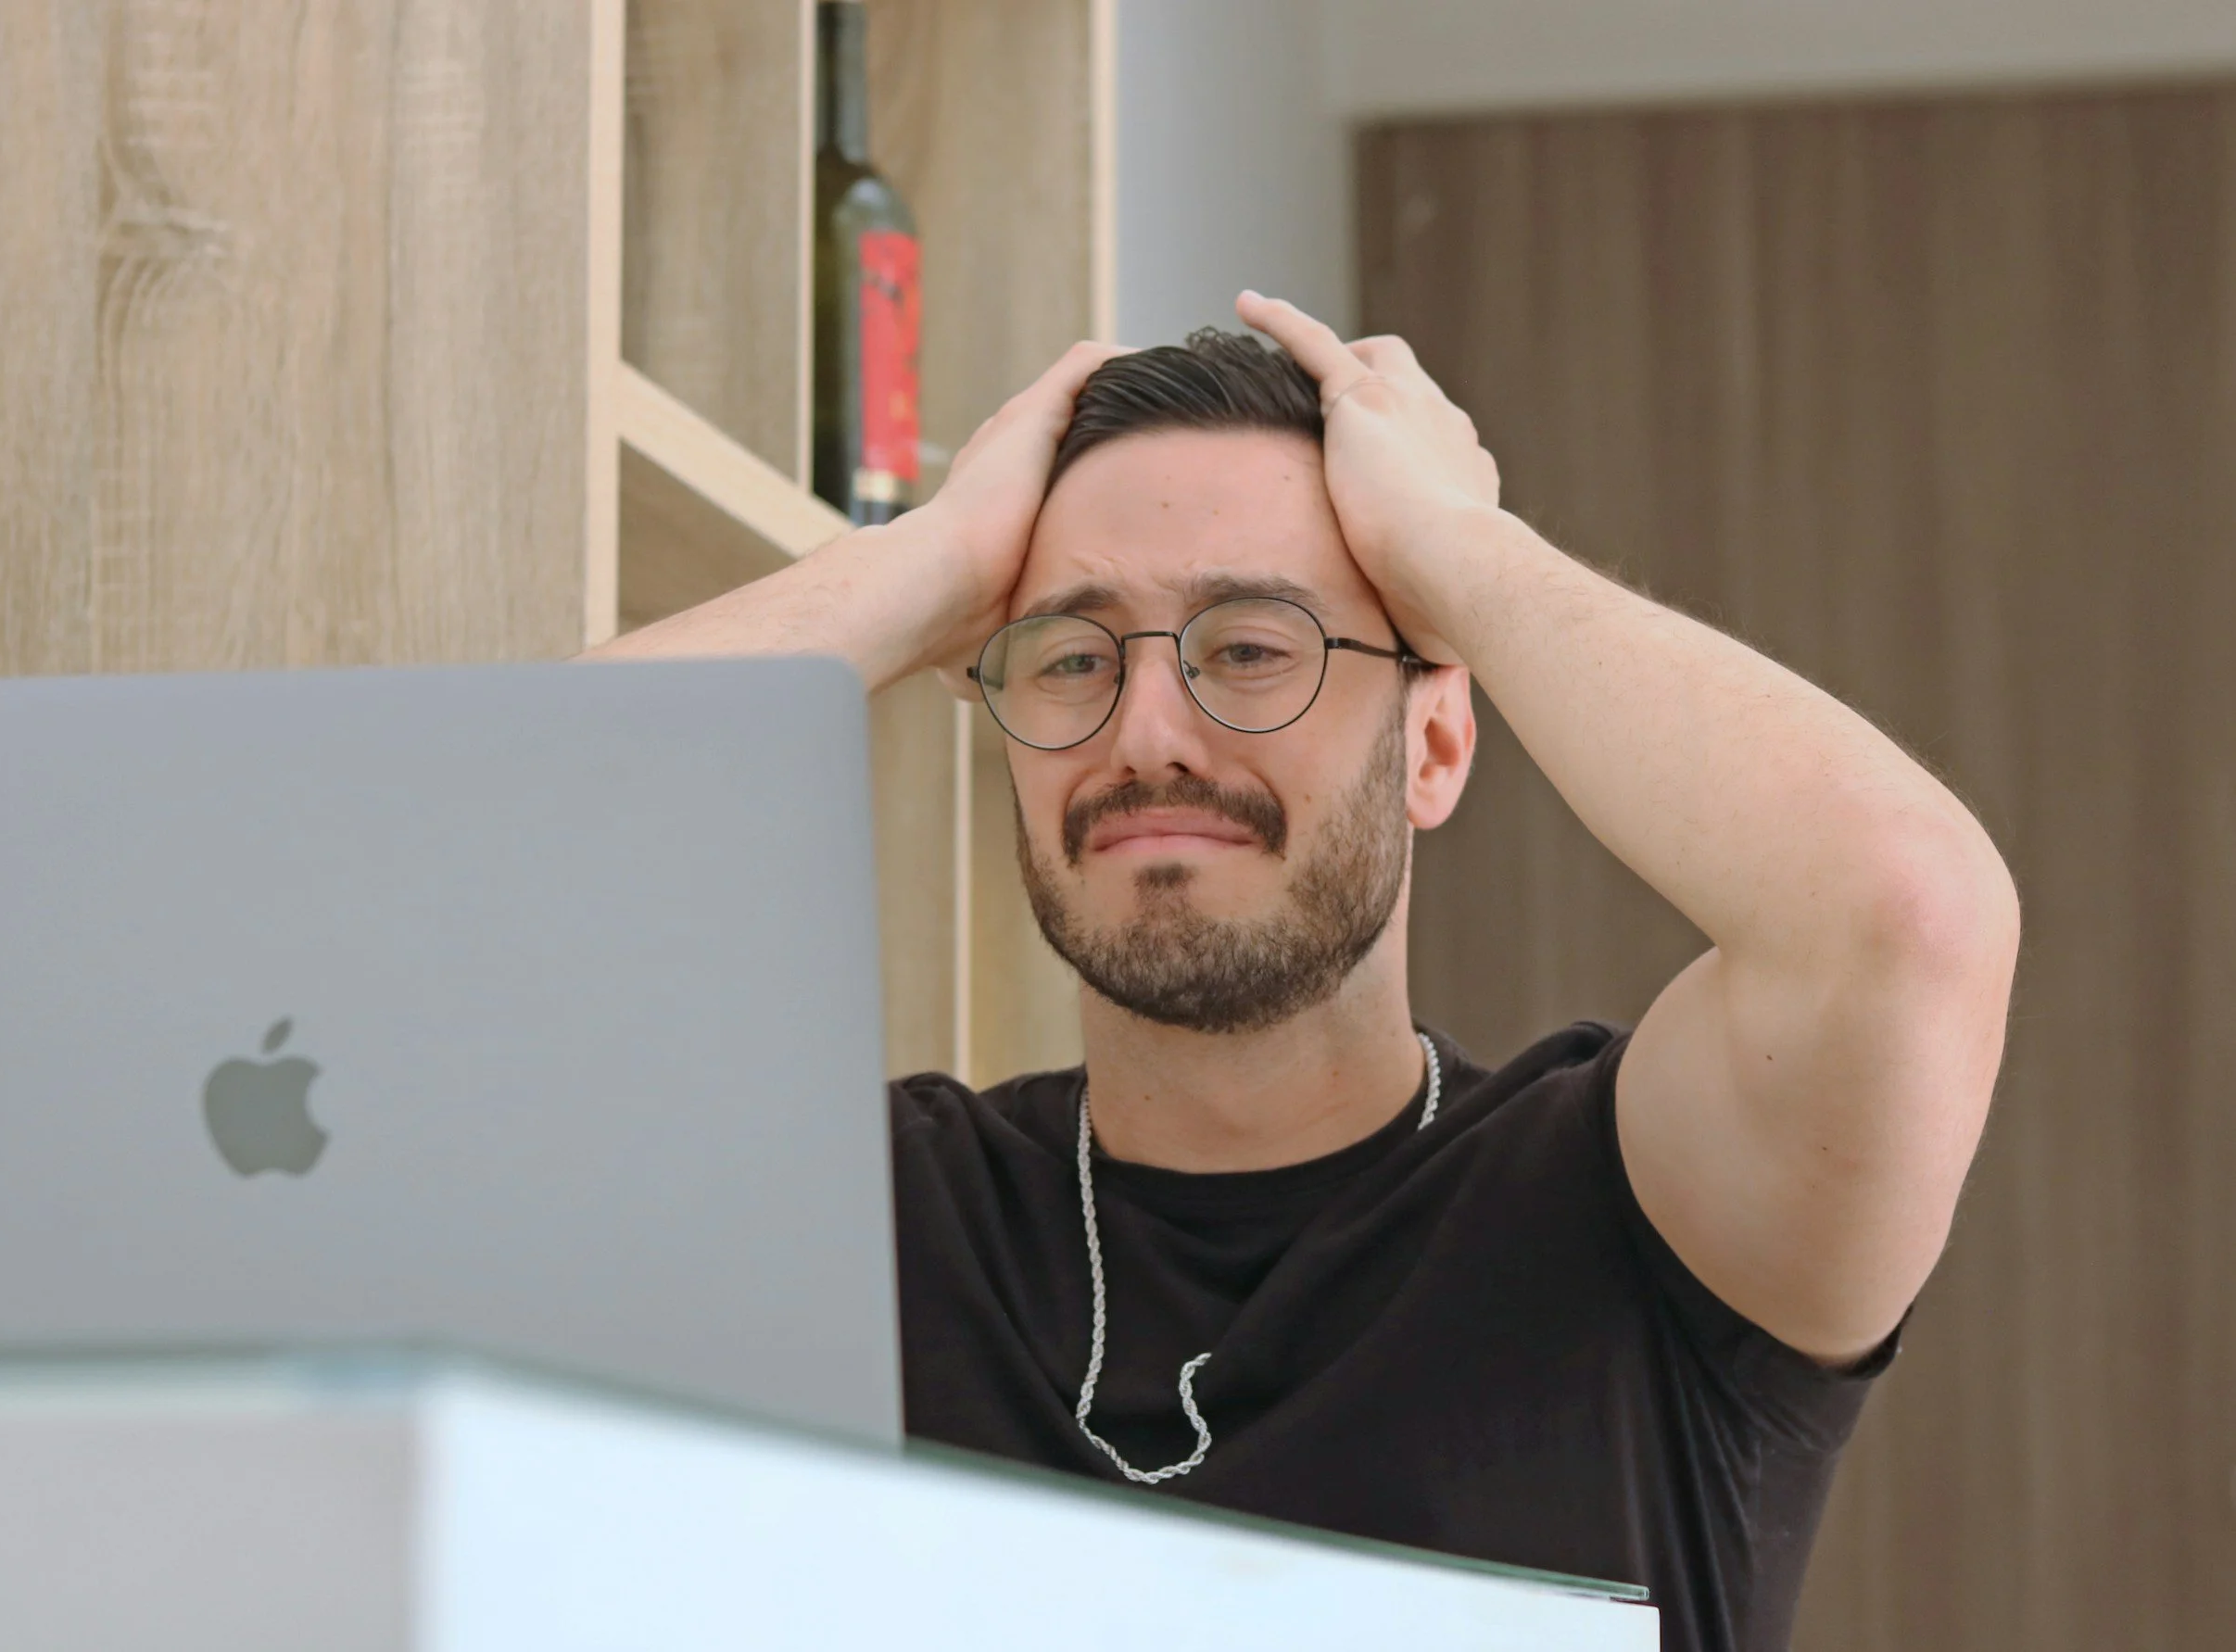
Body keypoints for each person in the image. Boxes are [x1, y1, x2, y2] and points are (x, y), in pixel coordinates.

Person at [585, 293, 2020, 1652]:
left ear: (1437, 744)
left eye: (1253, 645)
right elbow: (443, 898)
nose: (1149, 728)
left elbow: (1905, 913)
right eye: (1076, 658)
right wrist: (932, 562)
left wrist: (1460, 546)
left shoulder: (1641, 1216)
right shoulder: (868, 1223)